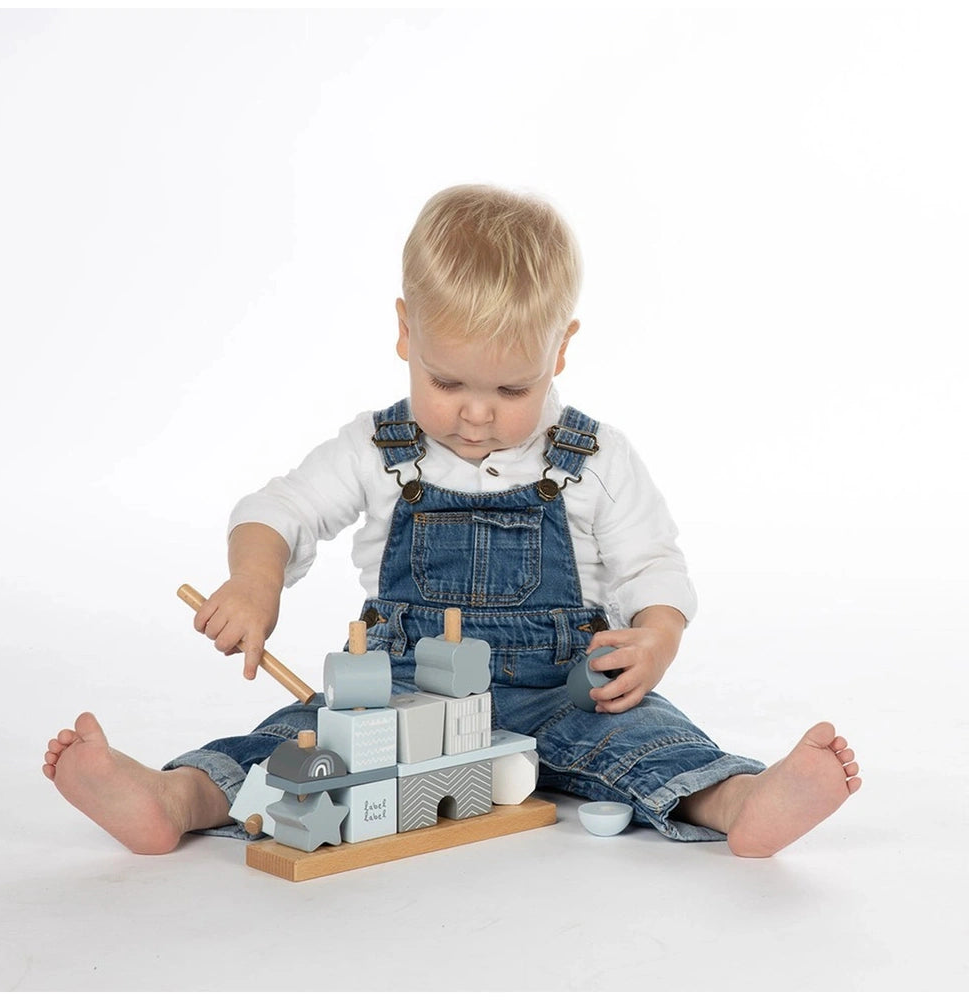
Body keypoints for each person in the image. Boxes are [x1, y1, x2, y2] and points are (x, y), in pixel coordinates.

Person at [43, 184, 860, 858]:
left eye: (512, 392)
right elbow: (277, 511)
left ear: (561, 351)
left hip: (563, 693)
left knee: (650, 740)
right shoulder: (378, 446)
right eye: (447, 382)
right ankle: (175, 796)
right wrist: (256, 580)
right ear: (405, 332)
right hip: (399, 693)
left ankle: (742, 801)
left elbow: (656, 566)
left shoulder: (594, 457)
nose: (475, 416)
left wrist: (657, 637)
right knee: (301, 746)